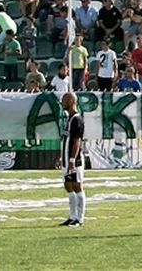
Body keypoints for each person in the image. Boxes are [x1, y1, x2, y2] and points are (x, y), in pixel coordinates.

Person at [58, 92, 86, 227]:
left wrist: (72, 160)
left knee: (77, 185)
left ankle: (80, 219)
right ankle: (72, 216)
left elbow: (77, 141)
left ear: (71, 101)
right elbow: (66, 140)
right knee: (68, 185)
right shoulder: (68, 119)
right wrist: (61, 157)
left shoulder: (77, 119)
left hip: (74, 160)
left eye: (64, 100)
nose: (62, 102)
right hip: (65, 158)